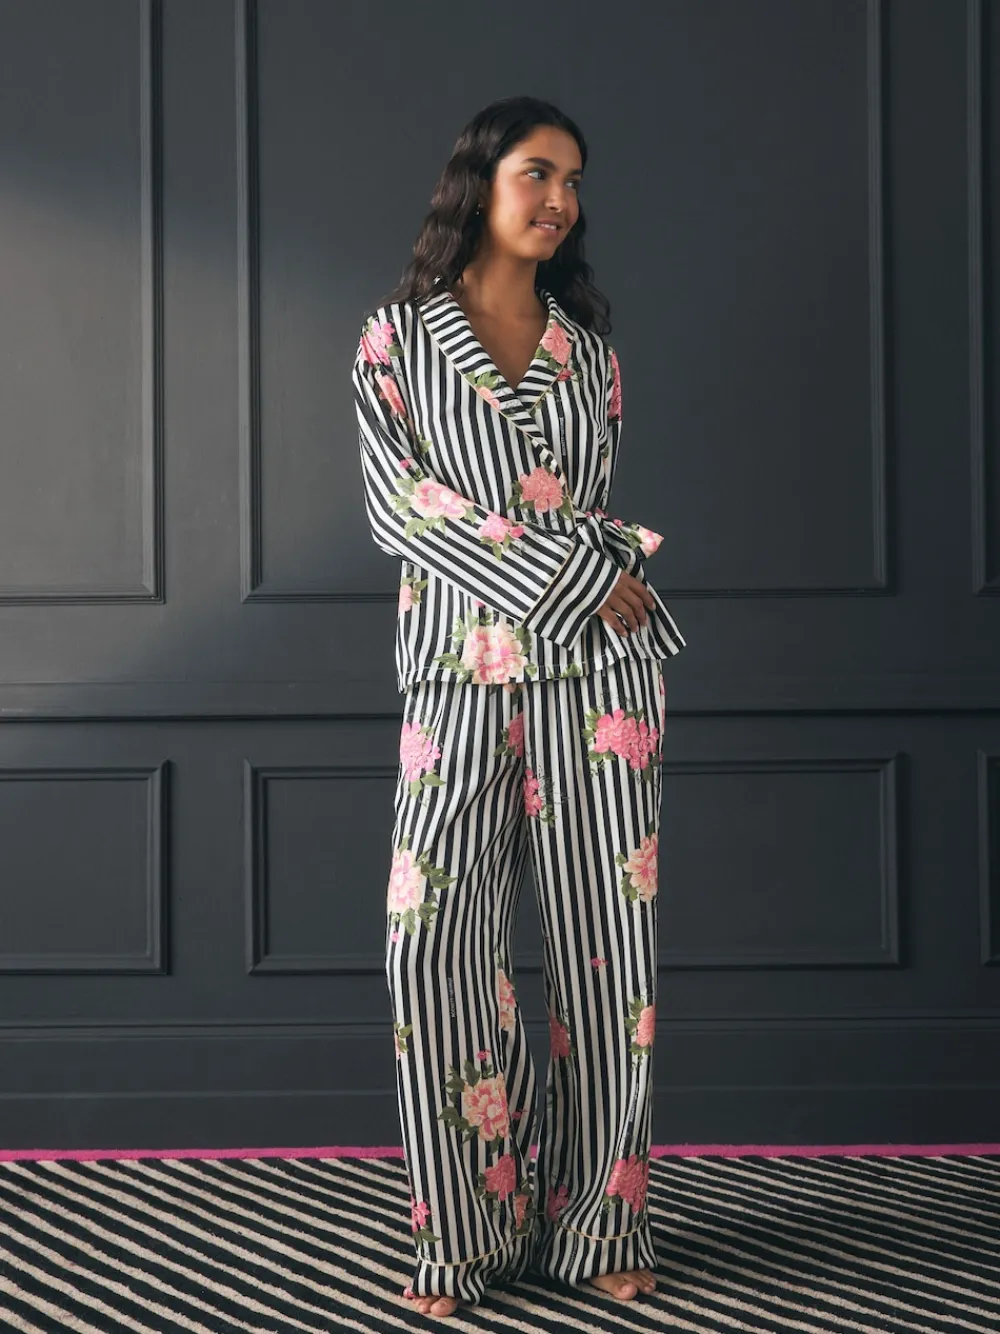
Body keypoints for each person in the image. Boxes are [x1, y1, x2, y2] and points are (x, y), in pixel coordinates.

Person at [351, 95, 686, 1320]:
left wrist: (589, 576)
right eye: (537, 173)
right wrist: (576, 573)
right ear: (479, 181)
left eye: (574, 181)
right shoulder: (396, 338)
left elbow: (580, 499)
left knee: (607, 961)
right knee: (433, 945)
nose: (559, 200)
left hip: (598, 687)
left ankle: (599, 1218)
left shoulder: (588, 353)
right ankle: (463, 1233)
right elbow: (401, 508)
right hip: (455, 673)